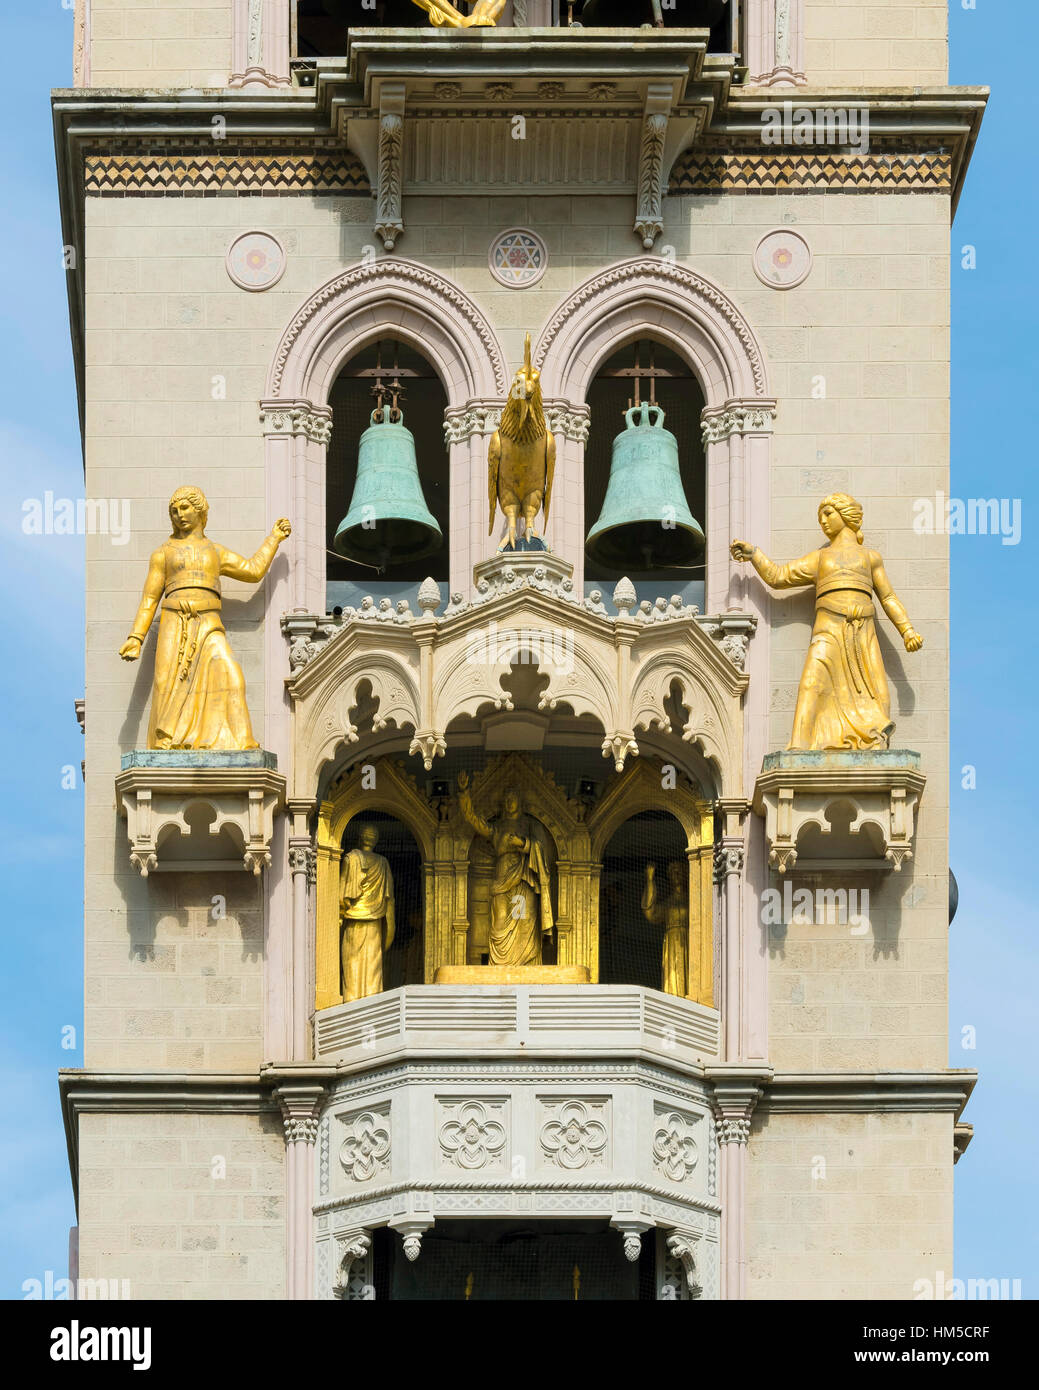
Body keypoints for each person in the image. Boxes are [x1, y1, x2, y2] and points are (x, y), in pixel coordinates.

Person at [731, 493, 923, 751]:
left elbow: (888, 597)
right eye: (820, 516)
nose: (822, 521)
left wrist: (907, 630)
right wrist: (755, 554)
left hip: (861, 631)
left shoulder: (870, 558)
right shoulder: (820, 559)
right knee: (811, 682)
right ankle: (800, 745)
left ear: (845, 515)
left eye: (828, 513)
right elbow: (778, 577)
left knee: (876, 690)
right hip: (828, 630)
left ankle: (875, 741)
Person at [119, 486, 290, 750]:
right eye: (174, 511)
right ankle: (168, 741)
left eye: (185, 508)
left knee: (231, 675)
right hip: (174, 622)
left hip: (209, 624)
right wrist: (136, 638)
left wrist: (274, 539)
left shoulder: (215, 551)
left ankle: (241, 740)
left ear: (200, 510)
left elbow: (252, 570)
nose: (179, 515)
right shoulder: (163, 553)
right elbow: (150, 599)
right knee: (166, 683)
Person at [458, 773, 553, 966]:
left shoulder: (530, 825)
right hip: (502, 881)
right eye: (507, 799)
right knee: (500, 922)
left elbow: (542, 849)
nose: (510, 802)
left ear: (520, 802)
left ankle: (524, 965)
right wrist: (464, 793)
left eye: (513, 798)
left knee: (522, 921)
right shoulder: (498, 827)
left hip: (522, 881)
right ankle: (500, 967)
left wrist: (524, 843)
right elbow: (473, 820)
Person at [340, 824, 396, 1001]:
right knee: (373, 968)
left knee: (351, 967)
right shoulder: (383, 863)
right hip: (375, 923)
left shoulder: (351, 859)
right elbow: (389, 901)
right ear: (375, 840)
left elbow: (341, 895)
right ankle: (372, 1007)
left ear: (360, 837)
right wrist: (390, 932)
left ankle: (351, 1004)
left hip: (353, 922)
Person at [642, 861, 689, 997]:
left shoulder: (692, 901)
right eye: (673, 871)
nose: (676, 874)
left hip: (690, 941)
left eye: (679, 870)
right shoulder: (668, 903)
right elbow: (651, 913)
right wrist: (650, 880)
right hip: (672, 942)